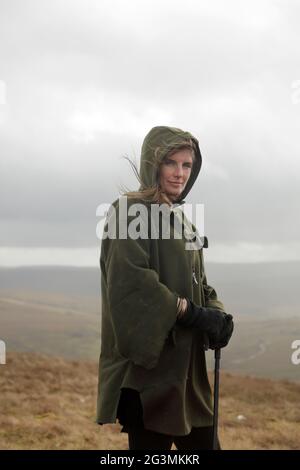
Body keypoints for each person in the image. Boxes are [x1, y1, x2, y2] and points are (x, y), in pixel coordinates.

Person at [96, 125, 234, 450]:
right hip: (149, 378)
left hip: (190, 379)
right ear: (152, 164)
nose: (180, 173)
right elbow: (132, 285)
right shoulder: (128, 212)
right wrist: (193, 314)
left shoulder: (184, 222)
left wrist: (217, 316)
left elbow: (201, 283)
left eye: (187, 165)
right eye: (171, 163)